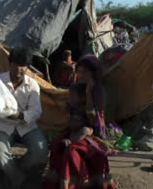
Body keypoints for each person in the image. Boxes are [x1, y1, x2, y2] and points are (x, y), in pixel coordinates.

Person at [43, 54, 117, 189]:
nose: (81, 75)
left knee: (72, 150)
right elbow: (69, 107)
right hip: (74, 129)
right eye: (79, 71)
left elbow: (94, 121)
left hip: (92, 132)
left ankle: (75, 184)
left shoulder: (99, 92)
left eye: (85, 72)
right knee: (56, 144)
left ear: (93, 73)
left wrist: (89, 95)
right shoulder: (76, 88)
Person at [0, 47, 48, 189]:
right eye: (16, 64)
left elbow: (36, 111)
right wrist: (3, 112)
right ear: (10, 64)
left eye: (23, 65)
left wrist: (21, 116)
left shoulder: (33, 84)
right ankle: (19, 179)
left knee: (41, 150)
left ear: (27, 67)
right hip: (2, 124)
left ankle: (12, 173)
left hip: (26, 125)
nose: (19, 68)